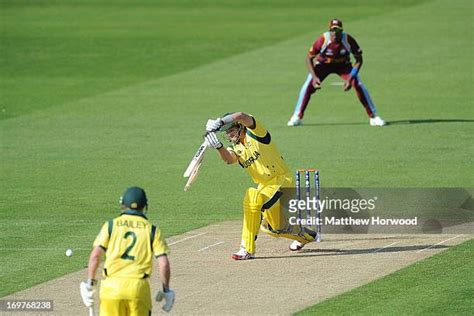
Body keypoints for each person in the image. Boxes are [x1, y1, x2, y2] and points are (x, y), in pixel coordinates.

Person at [205, 112, 316, 260]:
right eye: (227, 132)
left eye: (231, 130)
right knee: (273, 228)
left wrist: (220, 122)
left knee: (252, 198)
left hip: (281, 181)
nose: (229, 134)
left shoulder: (256, 133)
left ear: (240, 128)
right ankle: (306, 236)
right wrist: (219, 147)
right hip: (265, 187)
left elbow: (242, 115)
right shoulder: (236, 147)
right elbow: (229, 160)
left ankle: (247, 249)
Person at [80, 187, 175, 315]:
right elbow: (163, 263)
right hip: (138, 289)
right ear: (144, 206)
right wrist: (166, 290)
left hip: (111, 288)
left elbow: (96, 256)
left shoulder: (111, 225)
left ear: (123, 205)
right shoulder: (152, 230)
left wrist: (90, 283)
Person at [287, 18, 386, 127]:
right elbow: (309, 58)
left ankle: (373, 116)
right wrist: (315, 77)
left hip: (343, 66)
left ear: (342, 31)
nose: (335, 33)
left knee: (358, 84)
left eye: (338, 31)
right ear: (329, 31)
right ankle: (297, 116)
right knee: (308, 85)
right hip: (323, 65)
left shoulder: (348, 40)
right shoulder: (323, 40)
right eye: (333, 31)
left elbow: (359, 60)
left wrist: (350, 79)